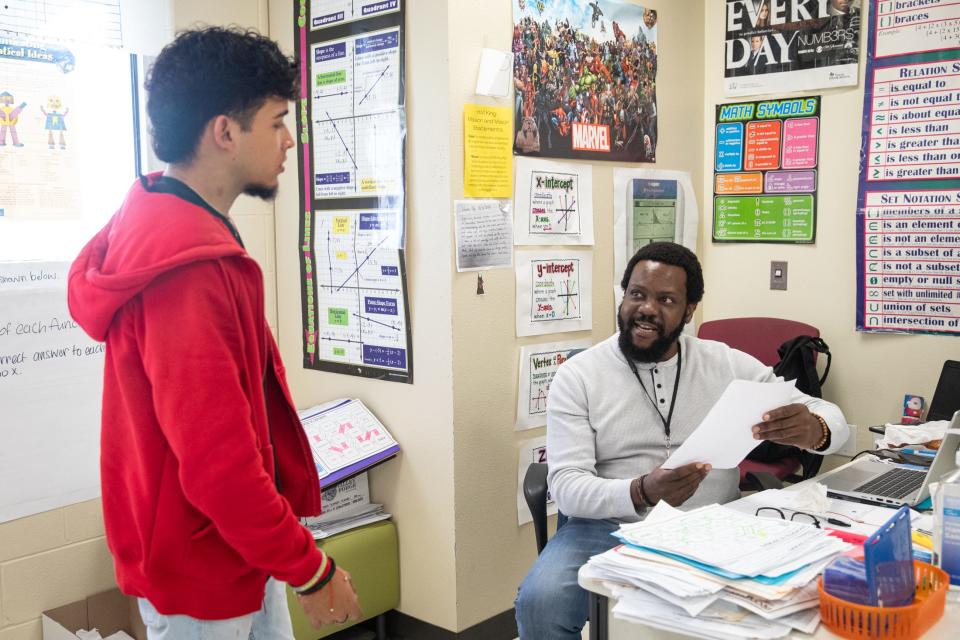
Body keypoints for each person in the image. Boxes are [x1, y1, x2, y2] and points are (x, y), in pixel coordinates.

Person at [67, 27, 361, 638]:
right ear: (225, 132)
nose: (289, 141)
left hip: (231, 553)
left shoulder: (173, 223)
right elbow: (217, 464)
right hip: (201, 568)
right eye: (278, 122)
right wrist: (312, 569)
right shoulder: (188, 267)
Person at [515, 242, 849, 640]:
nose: (647, 309)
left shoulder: (725, 363)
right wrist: (641, 490)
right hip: (607, 526)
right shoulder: (579, 376)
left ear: (689, 310)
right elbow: (568, 488)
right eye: (637, 294)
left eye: (666, 299)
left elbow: (831, 418)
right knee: (540, 603)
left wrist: (815, 428)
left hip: (714, 522)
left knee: (788, 602)